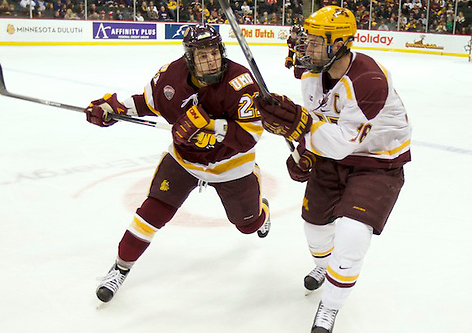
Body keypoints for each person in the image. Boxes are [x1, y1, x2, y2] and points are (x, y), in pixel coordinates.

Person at [85, 24, 271, 303]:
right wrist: (113, 108)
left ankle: (262, 209)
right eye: (202, 55)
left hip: (232, 165)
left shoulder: (240, 83)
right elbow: (145, 102)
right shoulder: (169, 77)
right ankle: (120, 268)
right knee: (152, 212)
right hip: (184, 161)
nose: (210, 60)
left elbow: (250, 135)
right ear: (189, 58)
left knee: (249, 226)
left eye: (214, 53)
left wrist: (211, 127)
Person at [255, 6, 411, 333]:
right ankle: (325, 268)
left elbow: (340, 143)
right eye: (306, 40)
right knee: (314, 225)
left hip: (378, 162)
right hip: (334, 158)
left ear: (339, 43)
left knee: (353, 233)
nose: (304, 48)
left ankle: (330, 304)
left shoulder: (369, 81)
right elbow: (319, 123)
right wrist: (304, 150)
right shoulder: (312, 75)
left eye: (313, 42)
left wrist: (298, 126)